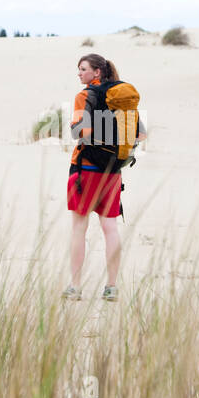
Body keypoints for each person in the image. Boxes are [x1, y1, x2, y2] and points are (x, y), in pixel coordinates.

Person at [63, 53, 144, 303]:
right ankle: (111, 287)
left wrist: (83, 127)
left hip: (86, 170)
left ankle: (75, 287)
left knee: (79, 227)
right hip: (112, 172)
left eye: (83, 69)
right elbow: (140, 136)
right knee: (110, 228)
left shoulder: (86, 95)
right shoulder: (123, 98)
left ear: (97, 72)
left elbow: (80, 132)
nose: (79, 73)